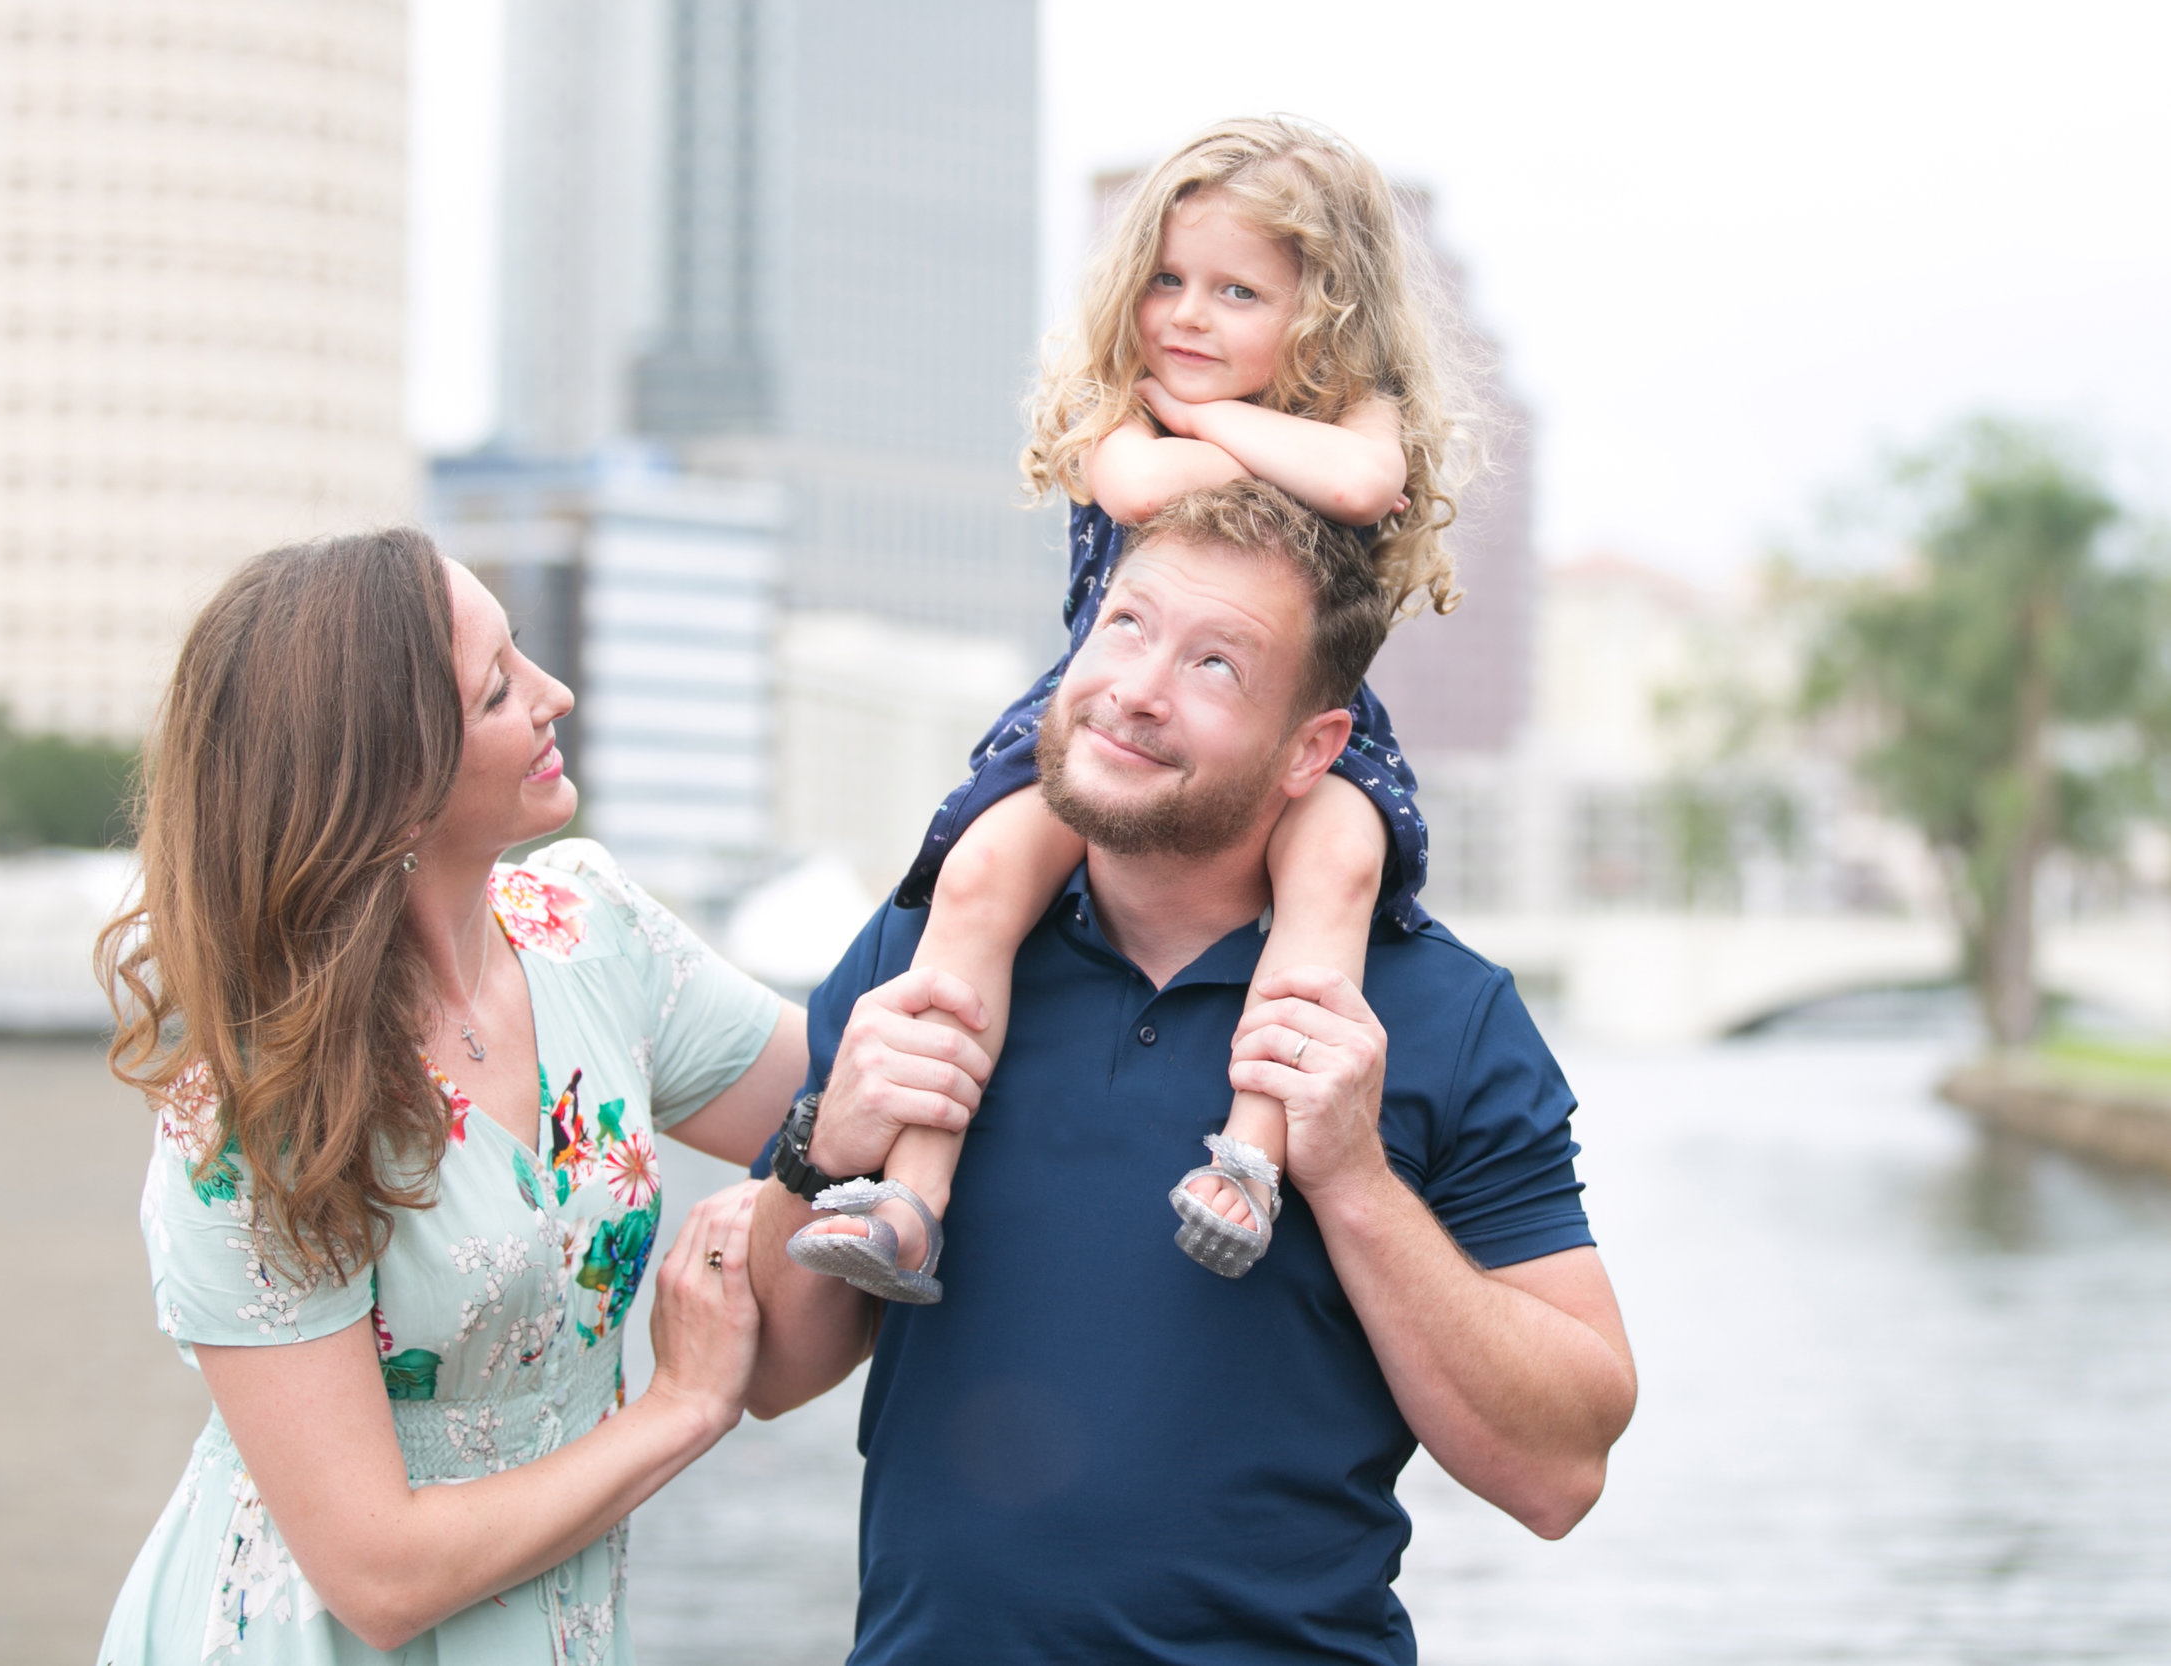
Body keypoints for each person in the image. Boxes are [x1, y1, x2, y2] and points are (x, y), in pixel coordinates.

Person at [747, 482, 1636, 1664]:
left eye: (1216, 666)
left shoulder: (1443, 1014)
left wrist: (1355, 1180)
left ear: (1312, 747)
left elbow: (1559, 1472)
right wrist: (827, 1138)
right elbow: (769, 1369)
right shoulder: (925, 951)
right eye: (1124, 625)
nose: (1136, 689)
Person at [786, 115, 1475, 1301]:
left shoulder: (1349, 414)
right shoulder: (1122, 407)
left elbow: (1366, 480)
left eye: (1236, 291)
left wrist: (1210, 420)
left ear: (1322, 316)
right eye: (1165, 278)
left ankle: (1252, 1155)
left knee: (1336, 878)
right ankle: (912, 1188)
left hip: (1312, 729)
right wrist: (1242, 435)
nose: (1187, 317)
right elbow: (1141, 484)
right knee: (980, 880)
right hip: (1103, 708)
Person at [92, 529, 806, 1664]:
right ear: (388, 787)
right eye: (497, 691)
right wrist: (683, 1404)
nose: (553, 693)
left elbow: (825, 1101)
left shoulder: (588, 928)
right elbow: (379, 1574)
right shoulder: (244, 1127)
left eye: (521, 655)